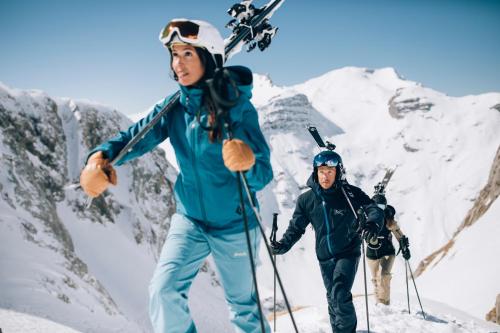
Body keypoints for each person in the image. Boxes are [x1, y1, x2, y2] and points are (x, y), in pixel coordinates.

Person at [79, 18, 273, 333]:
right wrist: (100, 158)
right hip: (191, 220)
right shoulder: (175, 107)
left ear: (208, 59)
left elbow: (263, 174)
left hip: (235, 224)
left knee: (244, 311)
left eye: (187, 55)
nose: (178, 64)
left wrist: (248, 161)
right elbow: (136, 136)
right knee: (163, 292)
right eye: (174, 54)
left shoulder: (237, 109)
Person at [271, 150, 384, 333]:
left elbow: (374, 209)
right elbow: (296, 227)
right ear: (315, 172)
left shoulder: (350, 195)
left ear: (338, 172)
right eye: (321, 171)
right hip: (324, 258)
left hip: (348, 252)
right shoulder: (306, 200)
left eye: (330, 171)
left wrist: (371, 224)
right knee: (332, 298)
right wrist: (283, 245)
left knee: (340, 294)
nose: (325, 176)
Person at [366, 194, 410, 306]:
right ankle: (378, 303)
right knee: (376, 279)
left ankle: (384, 304)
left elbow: (398, 233)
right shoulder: (368, 218)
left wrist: (404, 247)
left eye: (382, 206)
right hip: (372, 253)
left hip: (387, 251)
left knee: (384, 275)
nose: (380, 209)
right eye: (377, 206)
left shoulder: (389, 219)